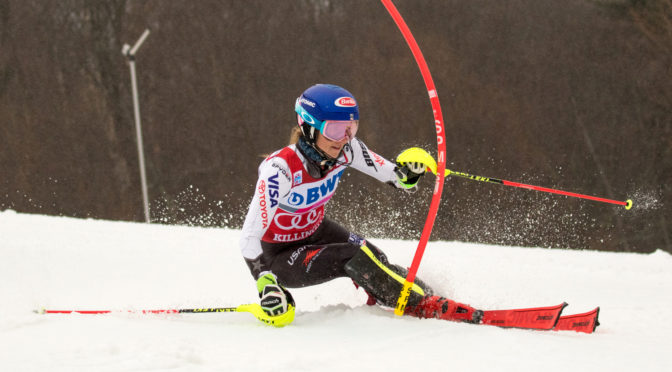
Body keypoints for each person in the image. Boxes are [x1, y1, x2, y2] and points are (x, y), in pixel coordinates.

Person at [238, 84, 481, 325]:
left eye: (350, 128)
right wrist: (266, 283)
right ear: (309, 127)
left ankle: (432, 298)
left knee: (374, 256)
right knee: (353, 256)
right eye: (334, 130)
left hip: (315, 231)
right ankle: (423, 306)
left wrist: (413, 168)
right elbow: (249, 237)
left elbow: (397, 178)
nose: (343, 139)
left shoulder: (348, 150)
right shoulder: (280, 170)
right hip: (279, 256)